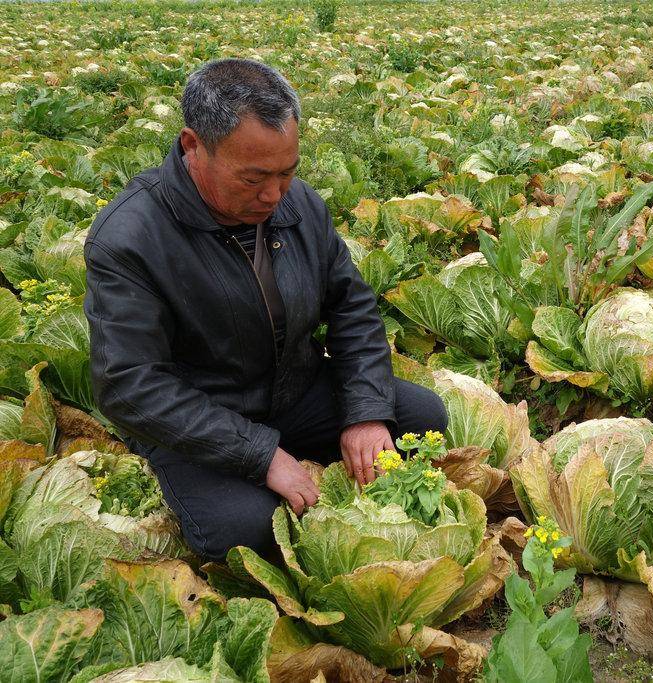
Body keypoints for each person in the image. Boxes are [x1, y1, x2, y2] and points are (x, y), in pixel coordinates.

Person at [83, 58, 447, 562]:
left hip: (293, 391)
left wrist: (364, 413)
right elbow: (128, 383)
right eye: (253, 178)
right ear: (193, 146)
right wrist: (259, 455)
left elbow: (352, 309)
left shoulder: (300, 206)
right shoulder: (130, 238)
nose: (274, 195)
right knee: (244, 531)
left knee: (421, 419)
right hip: (200, 420)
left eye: (288, 172)